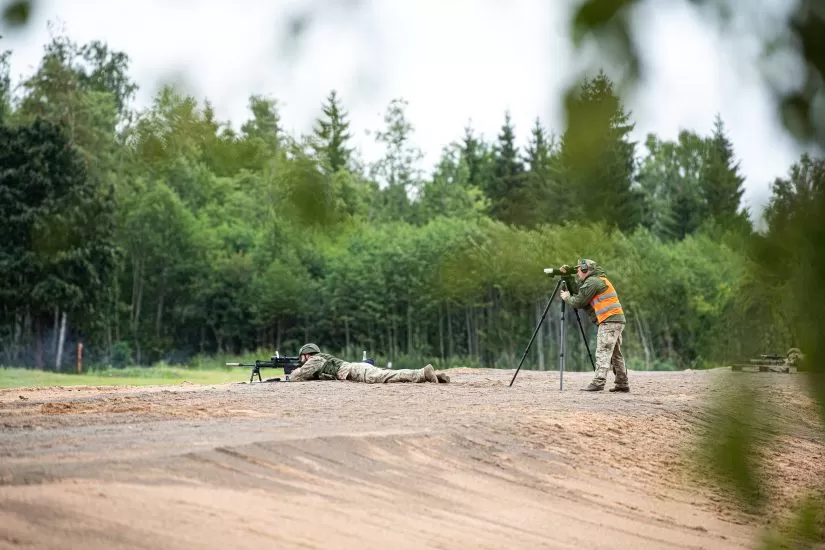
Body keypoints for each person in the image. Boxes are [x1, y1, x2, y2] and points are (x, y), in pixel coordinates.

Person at [559, 259, 629, 393]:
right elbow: (581, 292)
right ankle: (622, 383)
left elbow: (579, 301)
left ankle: (598, 382)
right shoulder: (596, 280)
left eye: (578, 270)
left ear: (585, 270)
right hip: (615, 320)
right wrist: (568, 278)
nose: (577, 273)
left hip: (609, 321)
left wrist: (567, 297)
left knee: (603, 351)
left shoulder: (593, 282)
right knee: (615, 354)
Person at [288, 343, 451, 384]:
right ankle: (434, 376)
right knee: (388, 373)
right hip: (356, 368)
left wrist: (292, 372)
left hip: (356, 370)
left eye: (302, 358)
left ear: (307, 355)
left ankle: (423, 373)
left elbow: (299, 376)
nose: (301, 361)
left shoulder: (315, 359)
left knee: (386, 376)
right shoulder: (321, 358)